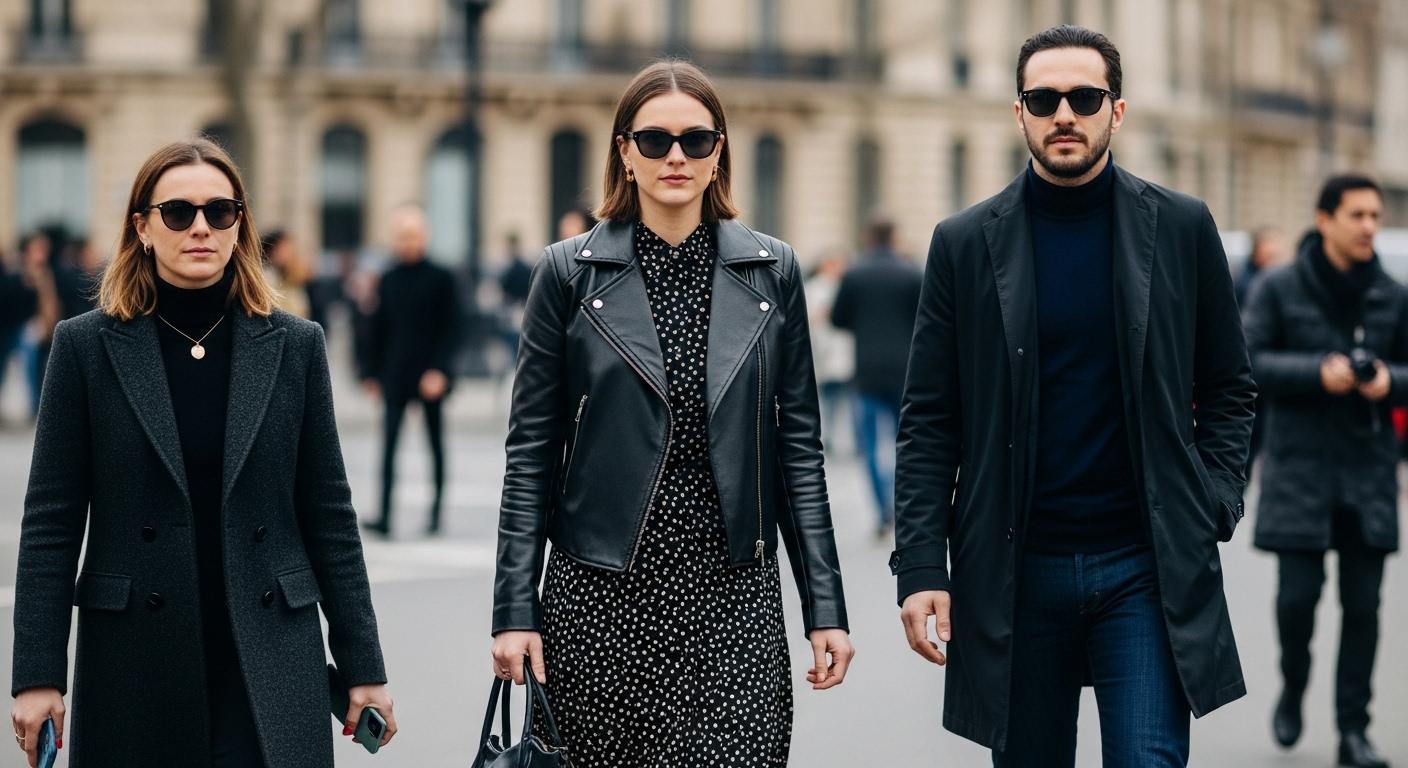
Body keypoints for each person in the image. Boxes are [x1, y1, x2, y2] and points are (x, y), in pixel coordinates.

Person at [892, 26, 1255, 767]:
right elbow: (929, 418)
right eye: (1043, 97)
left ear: (1115, 111)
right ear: (1018, 112)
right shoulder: (963, 242)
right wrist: (923, 566)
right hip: (1015, 571)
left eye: (1083, 97)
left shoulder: (1182, 227)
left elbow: (1227, 385)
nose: (1064, 112)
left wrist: (1214, 497)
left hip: (1144, 565)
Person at [490, 60, 854, 767]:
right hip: (601, 591)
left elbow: (797, 453)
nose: (676, 157)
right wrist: (513, 610)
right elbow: (530, 452)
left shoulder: (772, 270)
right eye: (654, 141)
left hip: (733, 594)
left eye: (696, 139)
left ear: (721, 150)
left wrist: (826, 608)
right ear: (624, 152)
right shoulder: (568, 274)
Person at [9, 139, 396, 767]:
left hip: (270, 657)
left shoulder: (295, 345)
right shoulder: (86, 347)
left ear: (239, 225)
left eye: (221, 211)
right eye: (178, 213)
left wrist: (364, 667)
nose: (200, 228)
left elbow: (330, 516)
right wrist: (37, 673)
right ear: (141, 227)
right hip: (135, 658)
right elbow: (50, 525)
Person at [1243, 175, 1401, 768]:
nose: (1368, 227)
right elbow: (1247, 361)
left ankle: (1352, 731)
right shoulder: (1279, 287)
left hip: (1367, 471)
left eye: (1375, 216)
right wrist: (1317, 372)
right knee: (1297, 602)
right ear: (1325, 218)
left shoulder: (1390, 293)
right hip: (1299, 470)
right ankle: (1292, 685)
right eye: (1357, 214)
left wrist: (1388, 382)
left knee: (1363, 609)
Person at [360, 204, 459, 537]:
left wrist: (441, 371)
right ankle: (385, 515)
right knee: (387, 448)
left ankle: (436, 514)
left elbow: (453, 330)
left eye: (413, 236)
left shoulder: (442, 278)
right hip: (395, 374)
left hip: (430, 375)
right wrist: (370, 373)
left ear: (425, 237)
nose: (408, 243)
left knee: (435, 445)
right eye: (402, 237)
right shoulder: (387, 278)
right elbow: (377, 328)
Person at [831, 217, 922, 538]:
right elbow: (927, 319)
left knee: (870, 445)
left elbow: (837, 318)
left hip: (866, 371)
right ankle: (902, 508)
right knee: (906, 443)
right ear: (894, 237)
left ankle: (882, 512)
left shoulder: (855, 273)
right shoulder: (911, 273)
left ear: (868, 237)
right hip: (906, 373)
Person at [803, 249, 853, 455]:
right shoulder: (818, 288)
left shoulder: (834, 286)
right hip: (827, 352)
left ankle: (832, 437)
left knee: (834, 399)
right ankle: (830, 437)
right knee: (832, 399)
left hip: (834, 353)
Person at [261, 229, 312, 319]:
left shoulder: (292, 279)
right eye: (285, 248)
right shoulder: (266, 277)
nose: (290, 254)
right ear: (272, 249)